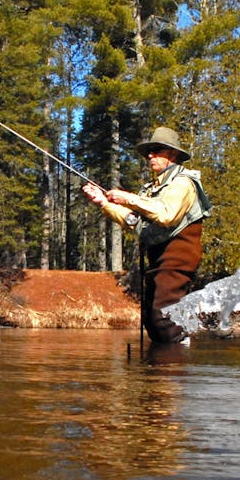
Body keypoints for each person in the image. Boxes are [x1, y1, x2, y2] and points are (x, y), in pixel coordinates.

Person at [83, 126, 210, 345]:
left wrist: (128, 197)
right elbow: (135, 221)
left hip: (177, 260)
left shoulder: (182, 183)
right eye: (149, 151)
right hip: (158, 262)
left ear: (172, 154)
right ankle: (157, 374)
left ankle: (176, 366)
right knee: (151, 321)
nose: (150, 155)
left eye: (157, 150)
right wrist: (104, 202)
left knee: (164, 319)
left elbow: (166, 214)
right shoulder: (152, 188)